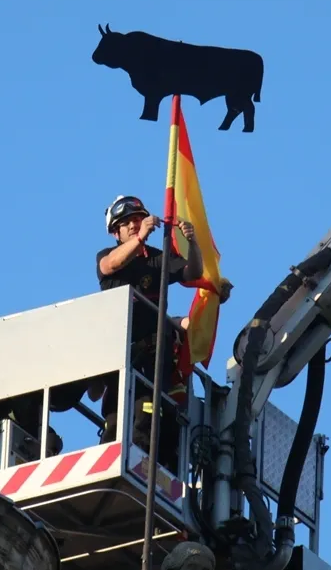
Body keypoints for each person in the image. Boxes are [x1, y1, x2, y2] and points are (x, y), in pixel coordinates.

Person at [93, 195, 203, 469]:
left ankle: (146, 468)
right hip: (120, 353)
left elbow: (193, 272)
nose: (133, 225)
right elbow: (110, 266)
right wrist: (141, 237)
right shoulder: (107, 256)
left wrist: (193, 242)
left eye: (137, 219)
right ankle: (110, 466)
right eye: (126, 223)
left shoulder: (156, 259)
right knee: (115, 418)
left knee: (148, 412)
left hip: (153, 353)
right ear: (115, 233)